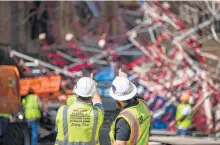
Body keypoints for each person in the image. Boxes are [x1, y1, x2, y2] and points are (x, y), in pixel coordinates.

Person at [55, 74, 104, 145]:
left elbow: (58, 129)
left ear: (76, 91)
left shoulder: (62, 111)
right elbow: (98, 103)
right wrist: (93, 87)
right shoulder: (96, 113)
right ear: (92, 94)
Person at [109, 69, 151, 145]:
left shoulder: (124, 120)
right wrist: (125, 80)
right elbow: (135, 95)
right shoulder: (142, 104)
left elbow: (120, 144)